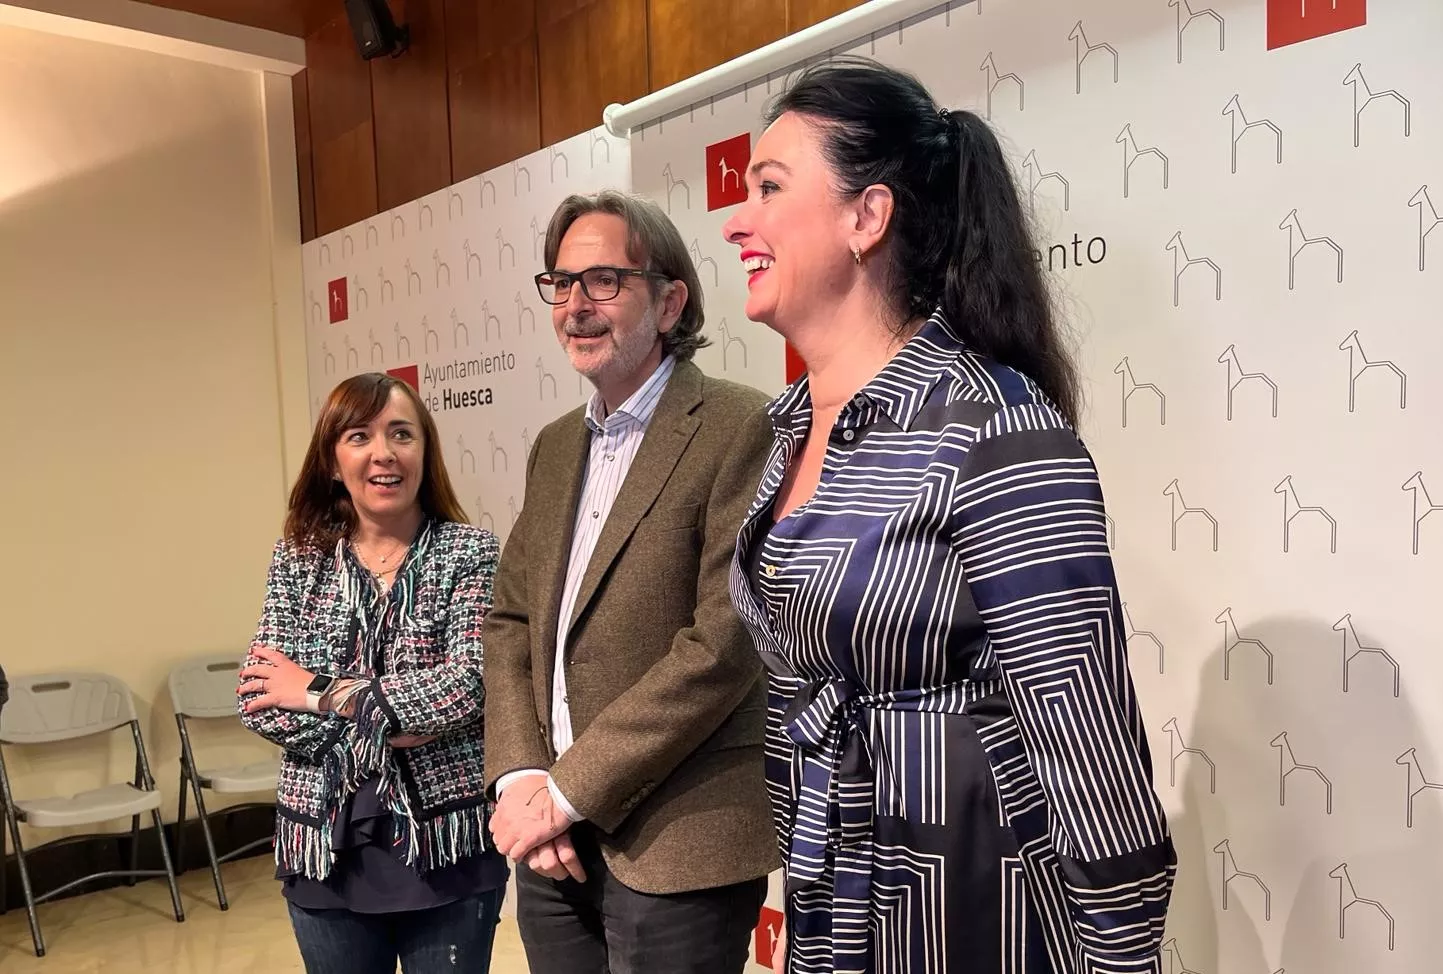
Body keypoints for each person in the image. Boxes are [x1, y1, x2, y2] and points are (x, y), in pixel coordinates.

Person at [720, 57, 1177, 974]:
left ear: (867, 216)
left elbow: (1086, 734)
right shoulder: (785, 433)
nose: (738, 221)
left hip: (974, 907)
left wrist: (1122, 954)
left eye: (769, 187)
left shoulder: (992, 428)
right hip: (831, 895)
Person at [482, 189, 778, 974]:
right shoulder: (553, 447)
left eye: (603, 281)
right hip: (550, 840)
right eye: (560, 284)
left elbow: (723, 642)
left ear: (671, 300)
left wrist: (567, 790)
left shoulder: (740, 425)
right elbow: (510, 622)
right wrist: (520, 779)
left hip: (680, 840)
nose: (575, 305)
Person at [237, 372, 507, 974]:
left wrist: (315, 691)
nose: (383, 453)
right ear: (334, 462)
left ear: (424, 452)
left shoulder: (471, 552)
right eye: (360, 435)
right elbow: (260, 697)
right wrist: (396, 714)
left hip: (448, 850)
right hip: (323, 849)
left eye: (401, 434)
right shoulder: (298, 559)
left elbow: (465, 690)